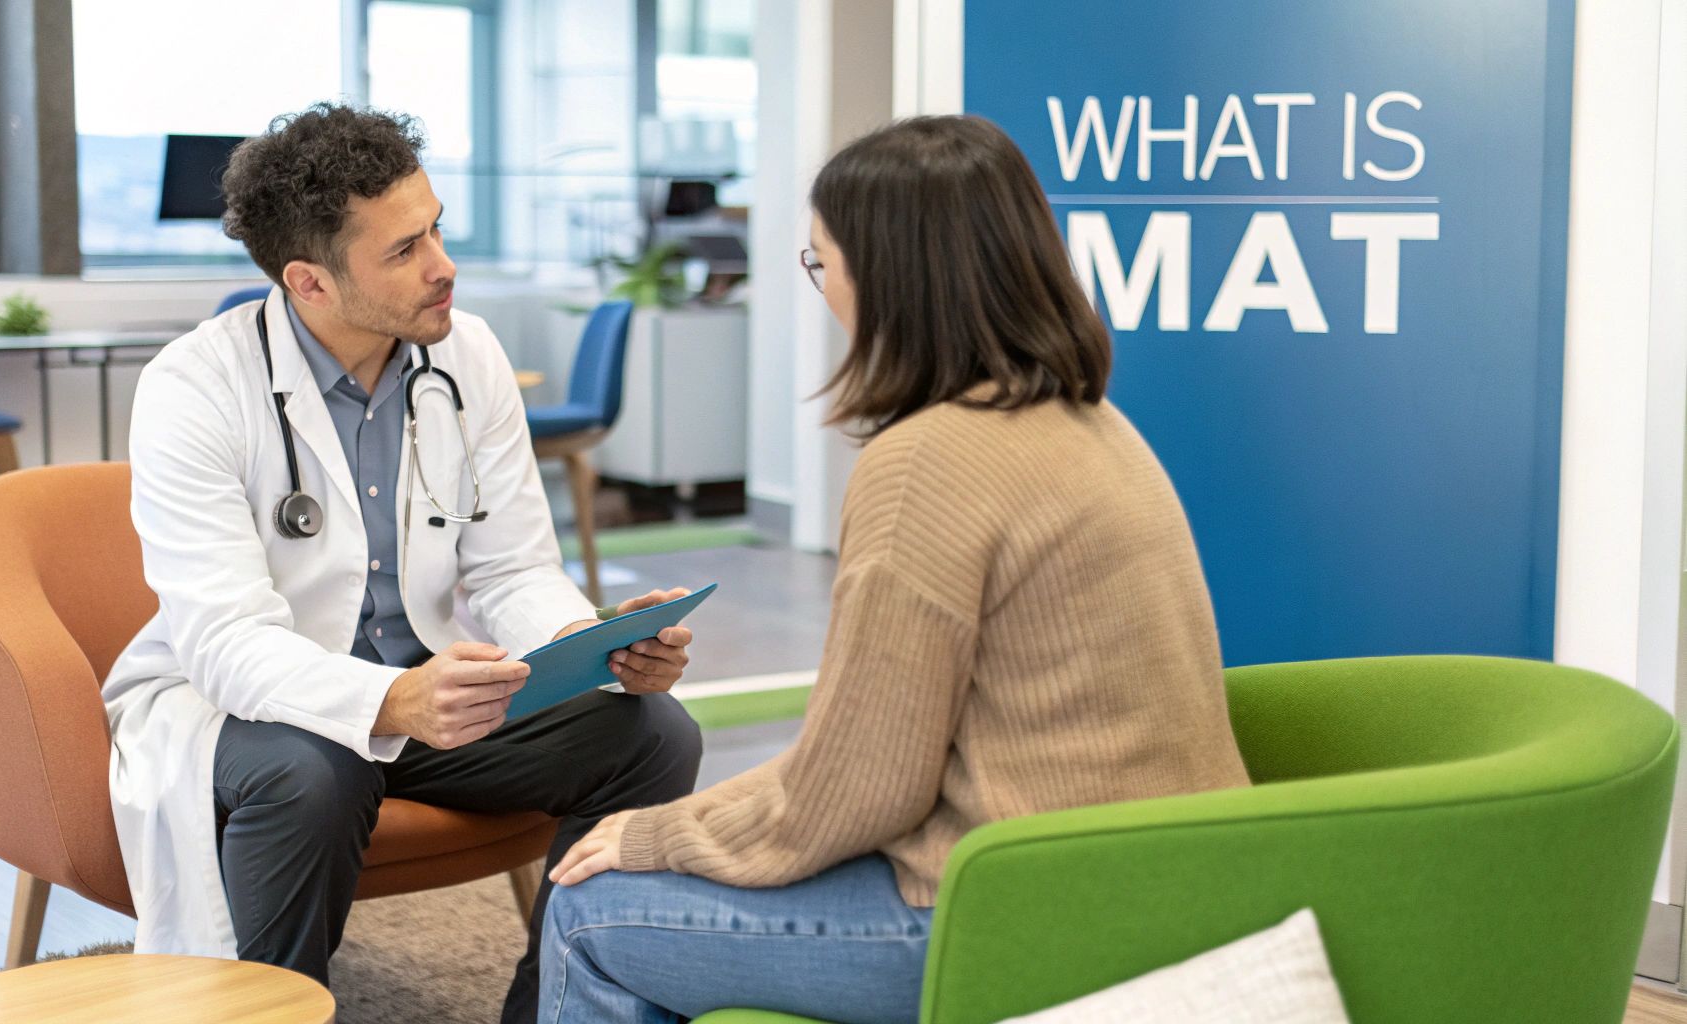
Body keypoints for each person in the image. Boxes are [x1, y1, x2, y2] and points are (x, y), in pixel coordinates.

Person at [537, 114, 1253, 1024]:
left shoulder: (929, 461)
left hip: (1022, 914)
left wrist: (661, 834)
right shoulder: (1097, 422)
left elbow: (854, 793)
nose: (820, 289)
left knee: (589, 912)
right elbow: (867, 756)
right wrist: (698, 826)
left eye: (818, 262)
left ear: (887, 279)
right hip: (1172, 880)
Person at [100, 103, 702, 1023]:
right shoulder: (194, 388)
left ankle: (555, 1008)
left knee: (653, 735)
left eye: (437, 229)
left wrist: (591, 642)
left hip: (423, 693)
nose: (443, 266)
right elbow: (224, 645)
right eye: (403, 250)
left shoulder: (466, 355)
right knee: (318, 771)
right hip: (244, 710)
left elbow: (510, 569)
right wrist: (385, 703)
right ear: (310, 281)